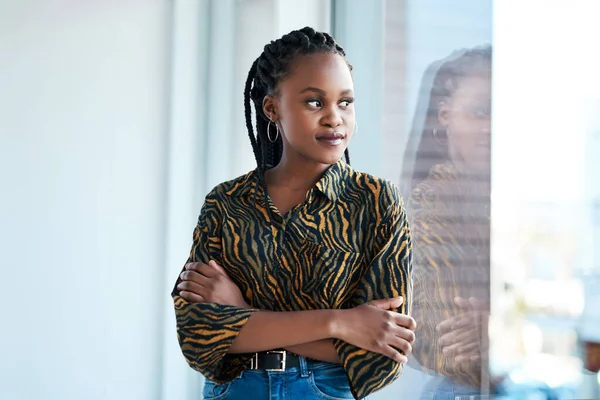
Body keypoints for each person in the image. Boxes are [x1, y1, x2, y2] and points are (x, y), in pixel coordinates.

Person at [171, 27, 415, 400]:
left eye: (345, 102)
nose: (334, 118)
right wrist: (341, 322)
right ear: (272, 108)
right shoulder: (225, 203)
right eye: (315, 102)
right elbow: (198, 336)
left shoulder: (377, 204)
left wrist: (241, 313)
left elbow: (383, 353)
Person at [400, 46, 493, 399]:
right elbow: (452, 354)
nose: (492, 127)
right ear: (445, 116)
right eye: (480, 112)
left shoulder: (500, 205)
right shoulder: (434, 204)